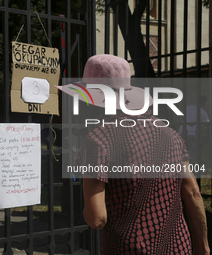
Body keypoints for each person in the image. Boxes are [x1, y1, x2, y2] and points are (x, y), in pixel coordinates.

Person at [58, 55, 210, 254]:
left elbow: (97, 218)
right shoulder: (170, 134)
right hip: (178, 247)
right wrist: (202, 247)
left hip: (127, 248)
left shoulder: (99, 139)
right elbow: (194, 194)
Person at [179, 96, 210, 164]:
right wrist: (201, 135)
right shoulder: (203, 112)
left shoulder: (188, 108)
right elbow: (204, 126)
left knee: (182, 154)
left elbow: (180, 117)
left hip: (182, 132)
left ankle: (181, 171)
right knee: (192, 155)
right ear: (204, 103)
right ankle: (192, 171)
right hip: (193, 134)